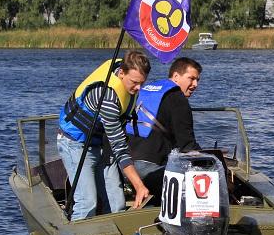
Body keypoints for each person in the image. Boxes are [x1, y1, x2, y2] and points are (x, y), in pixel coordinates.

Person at [58, 51, 151, 220]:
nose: (139, 88)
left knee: (117, 204)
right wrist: (139, 186)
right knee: (87, 203)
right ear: (121, 73)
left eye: (142, 83)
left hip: (101, 142)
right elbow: (119, 147)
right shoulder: (107, 97)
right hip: (75, 144)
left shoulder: (126, 77)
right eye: (134, 82)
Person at [127, 57, 203, 198]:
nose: (195, 84)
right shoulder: (177, 98)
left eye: (197, 80)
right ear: (176, 76)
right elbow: (187, 146)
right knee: (200, 184)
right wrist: (209, 159)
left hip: (126, 167)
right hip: (149, 169)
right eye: (191, 79)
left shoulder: (148, 89)